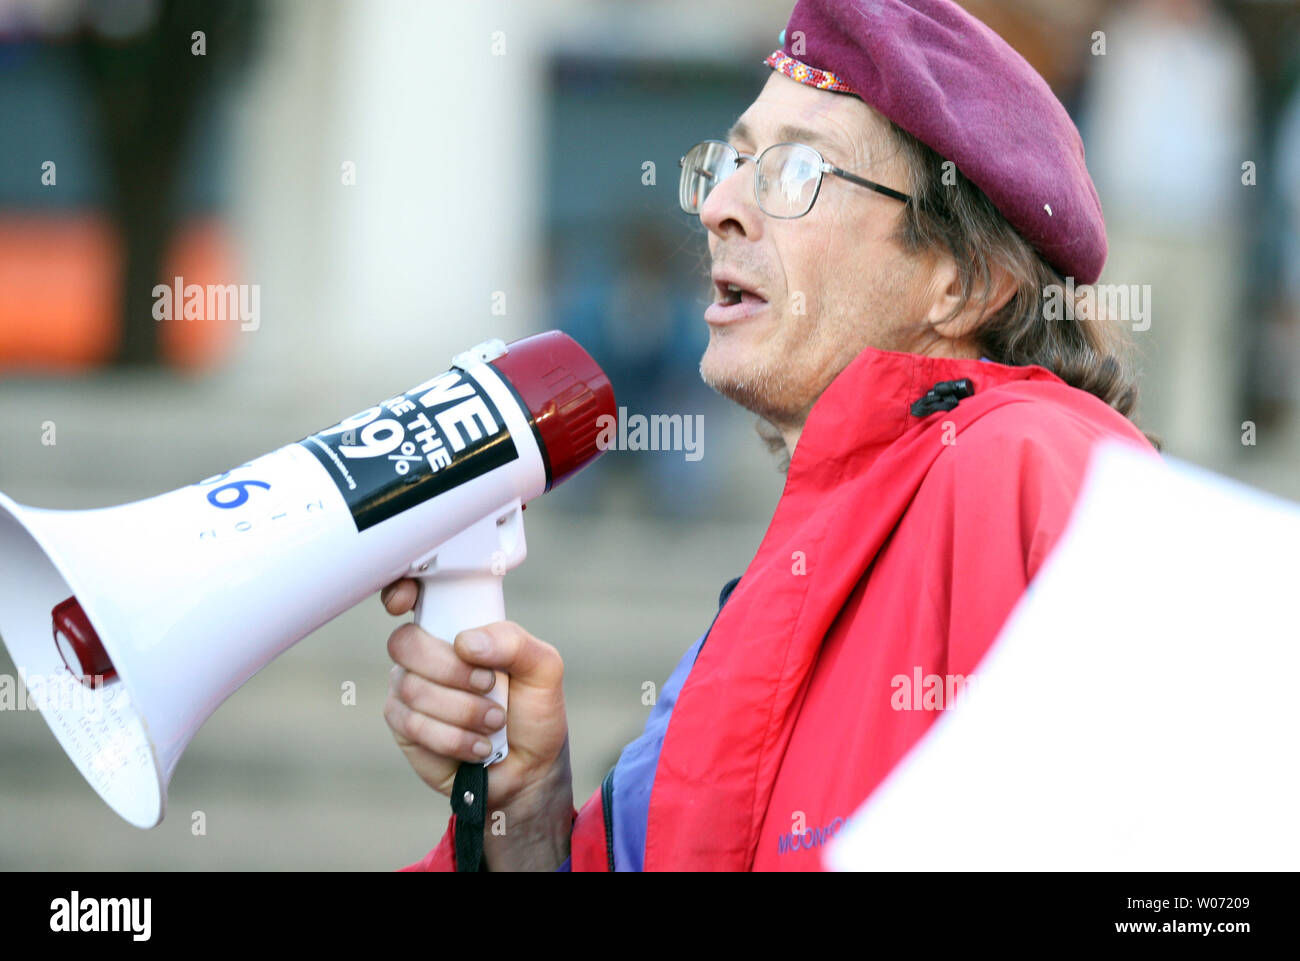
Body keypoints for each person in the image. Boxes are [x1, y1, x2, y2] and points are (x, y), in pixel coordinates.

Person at [383, 0, 1157, 872]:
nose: (717, 205)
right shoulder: (785, 583)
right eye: (731, 161)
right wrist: (526, 817)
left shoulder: (1033, 467)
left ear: (963, 284)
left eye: (793, 172)